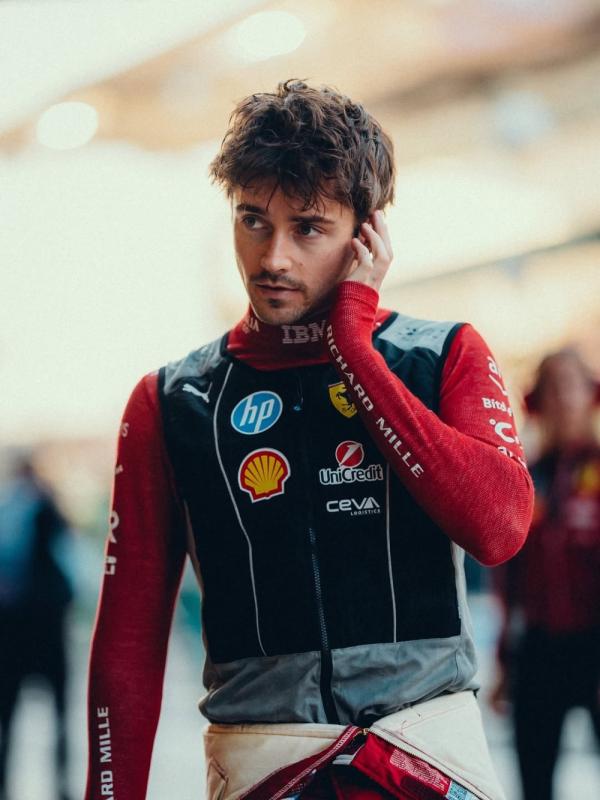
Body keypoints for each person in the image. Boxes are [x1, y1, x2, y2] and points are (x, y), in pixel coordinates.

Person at [85, 80, 534, 800]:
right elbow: (128, 641)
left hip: (428, 759)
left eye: (308, 228)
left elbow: (499, 530)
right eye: (253, 221)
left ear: (367, 233)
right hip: (260, 765)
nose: (274, 258)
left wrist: (355, 348)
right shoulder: (171, 400)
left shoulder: (443, 355)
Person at [491, 349, 600, 800]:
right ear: (536, 401)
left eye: (570, 384)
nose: (562, 398)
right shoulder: (525, 476)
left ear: (591, 394)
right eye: (551, 387)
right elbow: (508, 580)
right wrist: (503, 663)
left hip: (594, 643)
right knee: (534, 784)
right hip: (538, 651)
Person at [0, 455, 73, 800]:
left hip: (11, 628)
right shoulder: (46, 505)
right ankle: (61, 783)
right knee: (59, 712)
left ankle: (4, 781)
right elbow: (70, 563)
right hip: (48, 626)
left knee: (7, 716)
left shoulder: (7, 509)